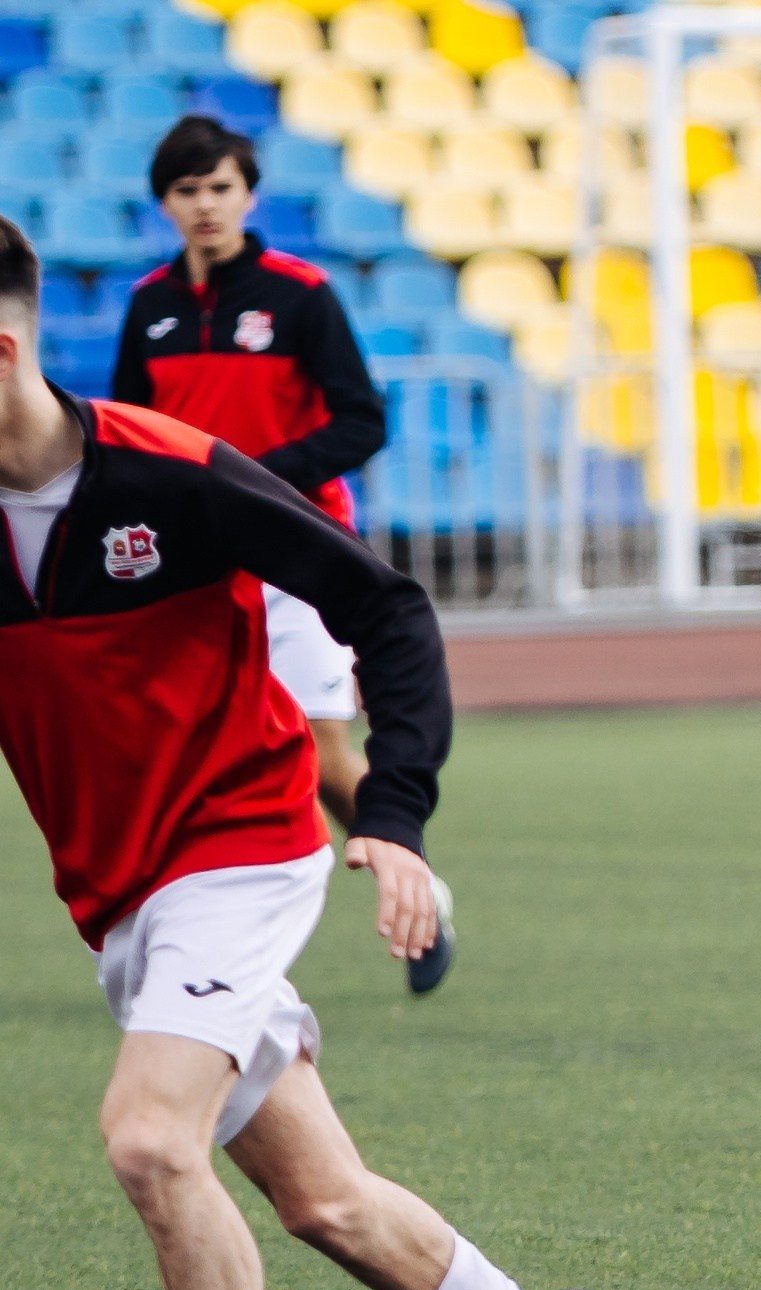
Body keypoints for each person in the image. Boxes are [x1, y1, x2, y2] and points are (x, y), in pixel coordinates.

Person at [0, 203, 659, 1290]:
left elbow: (388, 610)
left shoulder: (174, 475)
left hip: (244, 842)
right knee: (327, 1202)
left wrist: (394, 820)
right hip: (121, 895)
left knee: (148, 1141)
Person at [111, 114, 455, 994]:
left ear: (248, 193)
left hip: (294, 552)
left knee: (320, 752)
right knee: (183, 748)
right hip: (189, 562)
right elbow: (124, 435)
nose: (204, 205)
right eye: (187, 191)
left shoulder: (300, 294)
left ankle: (411, 877)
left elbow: (361, 420)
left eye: (219, 187)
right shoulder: (149, 307)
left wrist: (252, 480)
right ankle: (201, 946)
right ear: (166, 203)